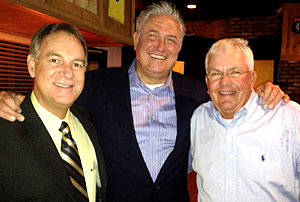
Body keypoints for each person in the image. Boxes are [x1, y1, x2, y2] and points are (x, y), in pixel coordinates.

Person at [0, 2, 289, 202]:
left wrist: (261, 91)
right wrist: (10, 98)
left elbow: (233, 99)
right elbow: (55, 98)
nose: (161, 47)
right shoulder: (96, 84)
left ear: (179, 48)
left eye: (171, 40)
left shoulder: (200, 93)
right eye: (153, 36)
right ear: (136, 39)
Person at [0, 23, 106, 202]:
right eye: (55, 60)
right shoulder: (5, 133)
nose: (68, 73)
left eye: (77, 64)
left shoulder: (88, 121)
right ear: (32, 66)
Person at [190, 38, 300, 201]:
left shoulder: (290, 116)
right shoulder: (198, 118)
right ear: (207, 81)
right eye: (216, 73)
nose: (224, 81)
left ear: (252, 78)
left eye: (235, 72)